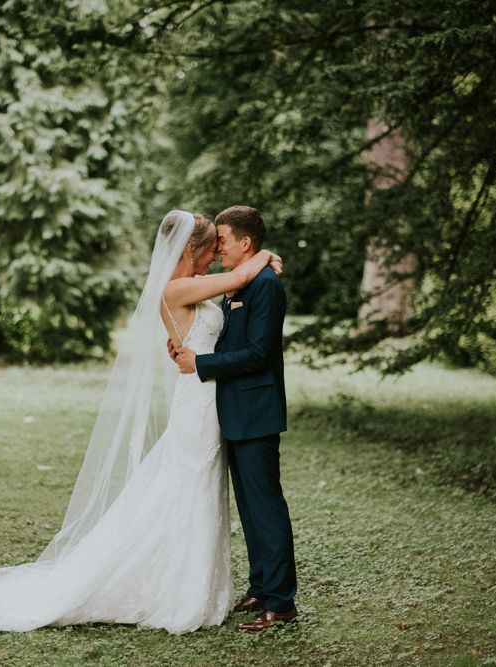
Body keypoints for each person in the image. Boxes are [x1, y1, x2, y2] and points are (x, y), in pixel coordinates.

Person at [0, 211, 281, 634]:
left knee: (194, 489)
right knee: (190, 487)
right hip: (199, 405)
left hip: (208, 397)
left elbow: (221, 320)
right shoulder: (180, 286)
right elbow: (240, 280)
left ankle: (207, 582)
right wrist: (267, 254)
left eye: (223, 244)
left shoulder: (191, 289)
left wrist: (192, 349)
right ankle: (177, 587)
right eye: (212, 246)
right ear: (191, 249)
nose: (217, 252)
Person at [175, 205, 297, 632]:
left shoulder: (265, 285)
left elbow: (259, 354)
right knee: (249, 505)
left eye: (223, 238)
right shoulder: (238, 283)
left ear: (246, 242)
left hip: (257, 412)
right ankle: (262, 587)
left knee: (265, 506)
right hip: (234, 412)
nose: (218, 245)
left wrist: (202, 364)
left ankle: (281, 601)